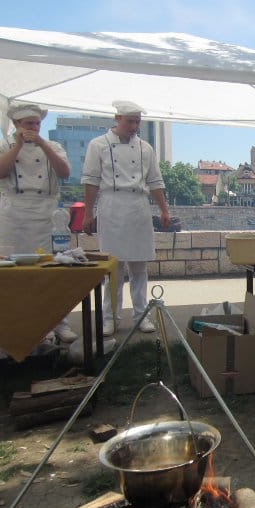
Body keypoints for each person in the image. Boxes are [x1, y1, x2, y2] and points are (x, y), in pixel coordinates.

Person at [82, 101, 170, 336]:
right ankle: (110, 317)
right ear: (117, 118)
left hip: (138, 206)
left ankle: (142, 315)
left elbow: (155, 181)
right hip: (111, 205)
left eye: (137, 122)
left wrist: (164, 210)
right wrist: (88, 213)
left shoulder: (145, 148)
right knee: (113, 267)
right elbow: (91, 181)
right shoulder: (98, 145)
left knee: (139, 267)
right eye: (130, 121)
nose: (134, 126)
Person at [0, 103, 78, 344]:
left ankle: (58, 323)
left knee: (50, 270)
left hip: (46, 212)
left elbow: (64, 172)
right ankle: (22, 323)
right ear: (17, 124)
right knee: (16, 272)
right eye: (29, 124)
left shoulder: (54, 146)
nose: (34, 128)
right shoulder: (1, 146)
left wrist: (42, 144)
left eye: (37, 124)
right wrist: (18, 145)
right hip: (15, 213)